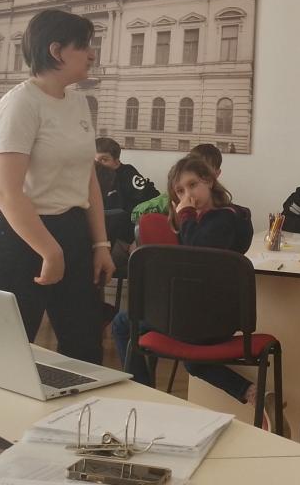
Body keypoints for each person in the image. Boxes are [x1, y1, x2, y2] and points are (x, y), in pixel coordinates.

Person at [0, 9, 115, 363]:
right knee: (8, 352)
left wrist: (101, 244)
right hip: (22, 236)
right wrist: (49, 251)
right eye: (83, 46)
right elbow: (6, 192)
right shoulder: (20, 104)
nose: (91, 54)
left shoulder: (78, 102)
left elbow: (88, 177)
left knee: (85, 348)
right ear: (56, 51)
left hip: (72, 230)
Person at [112, 156, 264, 411]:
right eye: (180, 191)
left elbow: (198, 252)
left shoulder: (220, 220)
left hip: (202, 319)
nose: (188, 195)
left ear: (209, 181)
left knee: (121, 324)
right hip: (214, 319)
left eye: (193, 185)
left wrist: (186, 215)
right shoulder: (226, 217)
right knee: (193, 362)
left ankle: (143, 398)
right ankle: (251, 392)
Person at [131, 142, 224, 222]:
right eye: (192, 167)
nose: (188, 194)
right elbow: (136, 213)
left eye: (204, 170)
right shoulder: (173, 198)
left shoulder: (223, 207)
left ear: (216, 174)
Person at [94, 136, 159, 245]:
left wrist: (137, 239)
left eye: (104, 160)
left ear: (116, 162)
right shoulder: (91, 178)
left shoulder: (127, 174)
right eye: (94, 160)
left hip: (124, 238)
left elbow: (153, 200)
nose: (97, 165)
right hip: (101, 235)